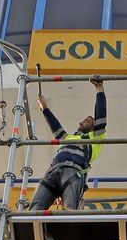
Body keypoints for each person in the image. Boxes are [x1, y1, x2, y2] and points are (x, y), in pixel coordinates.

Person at [29, 75, 107, 211]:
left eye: (87, 120)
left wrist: (99, 89)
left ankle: (67, 230)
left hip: (73, 172)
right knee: (35, 208)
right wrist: (44, 108)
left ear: (94, 127)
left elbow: (101, 114)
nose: (81, 122)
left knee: (69, 210)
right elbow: (55, 126)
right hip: (52, 172)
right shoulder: (67, 138)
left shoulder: (95, 138)